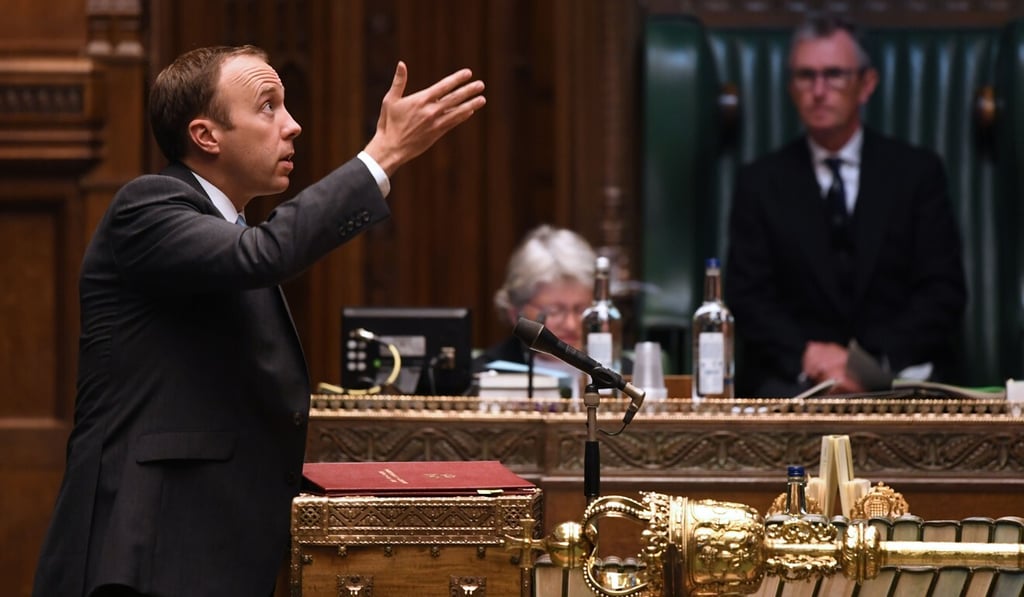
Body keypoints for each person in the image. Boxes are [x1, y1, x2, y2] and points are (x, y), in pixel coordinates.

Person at [33, 45, 485, 597]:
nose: (293, 127)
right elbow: (264, 254)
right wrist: (381, 155)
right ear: (206, 136)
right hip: (146, 555)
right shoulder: (147, 207)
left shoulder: (231, 231)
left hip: (211, 551)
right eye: (268, 107)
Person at [724, 14, 966, 397]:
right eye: (806, 76)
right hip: (796, 379)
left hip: (898, 373)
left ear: (866, 84)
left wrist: (864, 363)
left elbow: (942, 291)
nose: (819, 90)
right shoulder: (760, 182)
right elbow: (748, 297)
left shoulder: (917, 173)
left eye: (834, 74)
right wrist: (811, 357)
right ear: (791, 87)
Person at [476, 225, 597, 394]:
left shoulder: (624, 374)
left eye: (582, 309)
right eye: (553, 310)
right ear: (515, 312)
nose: (571, 324)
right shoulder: (485, 375)